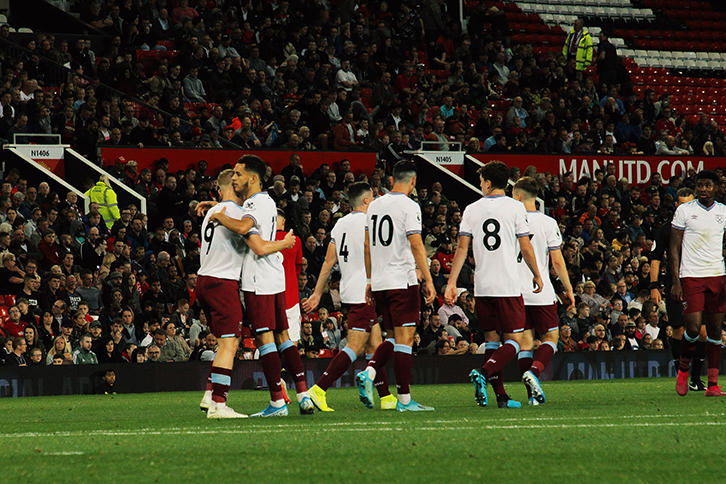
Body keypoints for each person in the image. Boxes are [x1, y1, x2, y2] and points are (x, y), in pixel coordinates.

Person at [209, 155, 314, 417]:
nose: (233, 178)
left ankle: (278, 403)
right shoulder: (263, 202)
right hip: (274, 277)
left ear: (253, 178)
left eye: (238, 174)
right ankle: (303, 395)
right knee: (283, 338)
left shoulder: (255, 202)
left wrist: (220, 216)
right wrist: (218, 206)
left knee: (265, 340)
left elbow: (249, 233)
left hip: (258, 280)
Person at [196, 168, 294, 418]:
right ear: (233, 186)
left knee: (223, 343)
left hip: (203, 281)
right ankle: (219, 403)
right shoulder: (238, 214)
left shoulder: (213, 212)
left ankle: (210, 394)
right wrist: (283, 244)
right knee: (230, 343)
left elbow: (226, 211)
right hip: (222, 283)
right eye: (237, 183)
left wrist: (216, 203)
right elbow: (257, 244)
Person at [445, 161, 543, 408]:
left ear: (488, 183)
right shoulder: (516, 208)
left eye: (480, 182)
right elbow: (526, 246)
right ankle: (484, 372)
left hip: (483, 286)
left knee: (491, 340)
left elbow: (462, 248)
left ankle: (501, 397)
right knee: (514, 341)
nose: (480, 186)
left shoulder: (471, 210)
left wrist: (452, 283)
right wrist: (537, 274)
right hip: (507, 283)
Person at [303, 182, 396, 411]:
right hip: (363, 291)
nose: (374, 201)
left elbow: (328, 261)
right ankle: (319, 389)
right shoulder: (369, 222)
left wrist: (317, 292)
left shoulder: (340, 224)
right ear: (366, 200)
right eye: (372, 197)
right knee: (355, 346)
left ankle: (385, 397)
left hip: (348, 290)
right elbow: (371, 252)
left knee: (375, 344)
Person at [355, 160, 436, 412]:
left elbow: (367, 246)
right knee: (405, 339)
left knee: (392, 337)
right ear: (413, 181)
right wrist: (428, 278)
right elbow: (416, 244)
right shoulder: (410, 206)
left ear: (392, 180)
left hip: (379, 282)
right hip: (402, 280)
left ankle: (369, 371)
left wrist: (369, 280)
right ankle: (404, 400)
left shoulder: (375, 204)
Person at [512, 177, 575, 405]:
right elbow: (557, 261)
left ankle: (532, 397)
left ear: (518, 196)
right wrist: (568, 289)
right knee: (550, 338)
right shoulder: (547, 222)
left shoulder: (510, 221)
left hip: (514, 291)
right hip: (540, 291)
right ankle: (534, 373)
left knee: (525, 343)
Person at [670, 170, 726, 396]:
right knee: (692, 328)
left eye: (708, 185)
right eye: (699, 185)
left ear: (716, 188)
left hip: (717, 275)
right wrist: (676, 281)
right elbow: (673, 247)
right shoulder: (684, 211)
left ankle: (712, 385)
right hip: (691, 275)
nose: (703, 189)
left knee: (714, 330)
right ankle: (683, 370)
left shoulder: (723, 211)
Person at [649, 187, 706, 391]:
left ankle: (696, 379)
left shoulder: (702, 226)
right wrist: (653, 286)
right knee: (679, 330)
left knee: (702, 331)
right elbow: (655, 258)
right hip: (675, 284)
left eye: (689, 204)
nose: (685, 208)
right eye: (681, 204)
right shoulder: (666, 229)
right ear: (676, 206)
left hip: (699, 282)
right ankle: (680, 375)